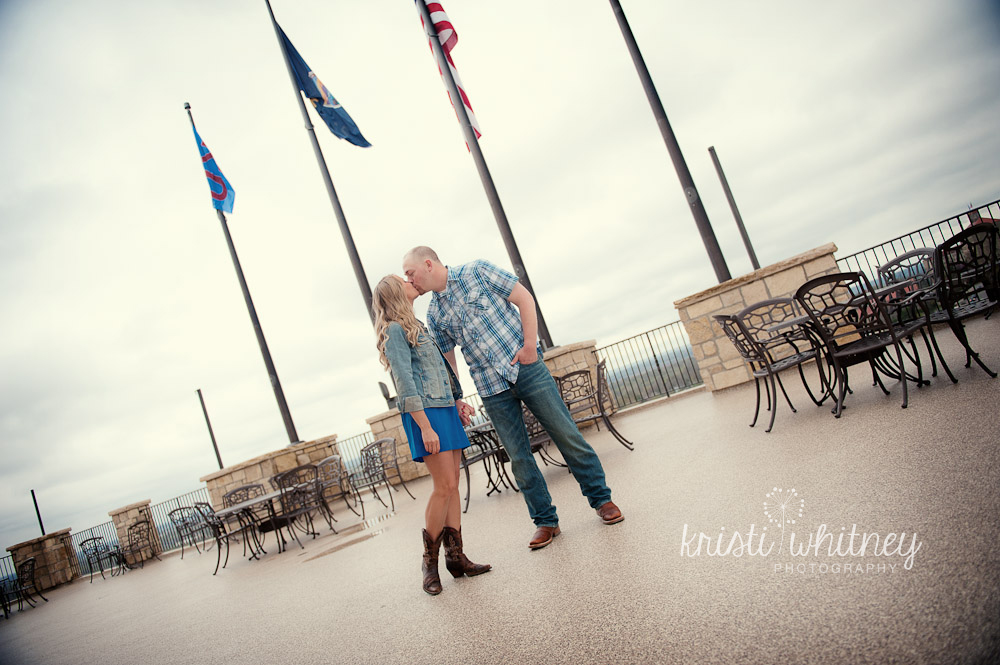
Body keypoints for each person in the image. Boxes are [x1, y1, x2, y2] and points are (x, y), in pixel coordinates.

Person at [402, 247, 624, 551]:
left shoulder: (477, 271)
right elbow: (448, 360)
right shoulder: (434, 314)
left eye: (410, 272)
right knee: (519, 458)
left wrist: (531, 345)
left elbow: (524, 298)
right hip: (490, 387)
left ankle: (602, 500)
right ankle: (545, 521)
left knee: (567, 435)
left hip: (527, 369)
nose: (409, 279)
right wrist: (456, 397)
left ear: (428, 264)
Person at [372, 275, 491, 595]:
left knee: (454, 484)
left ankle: (457, 558)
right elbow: (404, 383)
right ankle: (429, 564)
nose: (410, 281)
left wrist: (457, 400)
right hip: (426, 415)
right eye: (403, 280)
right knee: (444, 486)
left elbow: (439, 371)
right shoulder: (394, 331)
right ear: (396, 293)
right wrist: (425, 427)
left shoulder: (418, 326)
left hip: (445, 409)